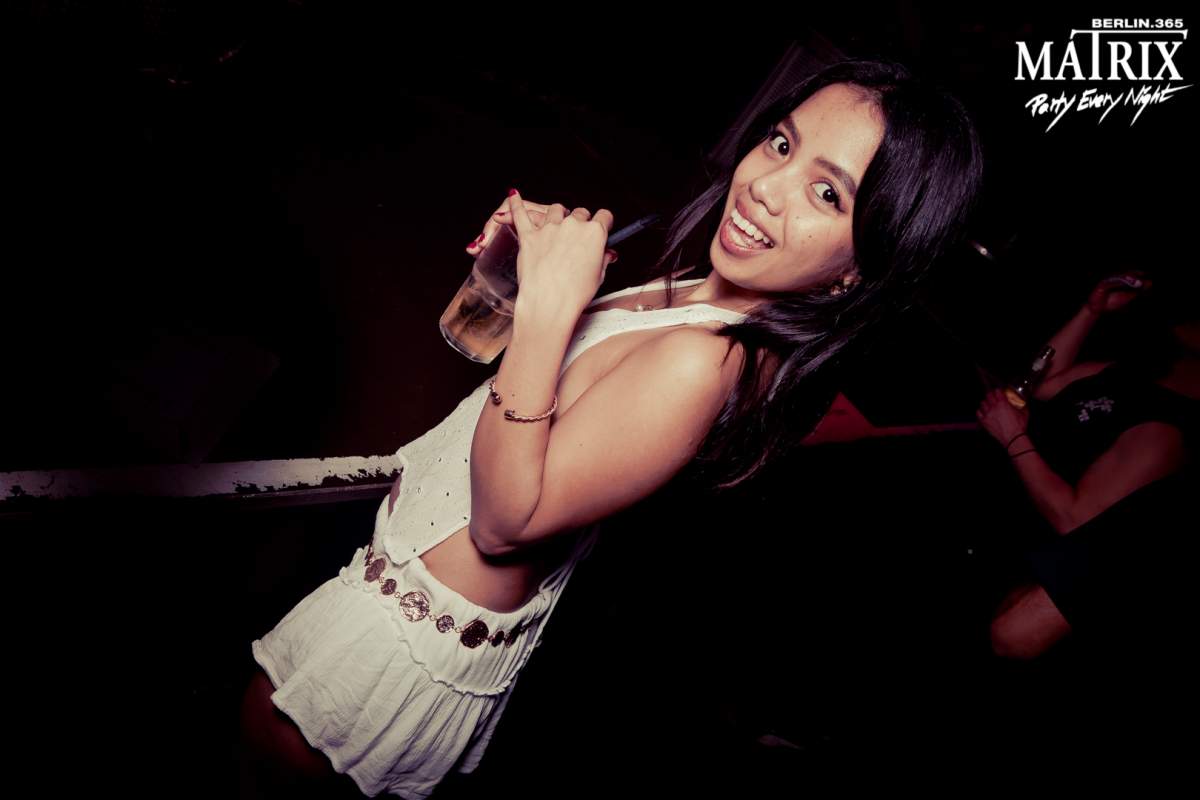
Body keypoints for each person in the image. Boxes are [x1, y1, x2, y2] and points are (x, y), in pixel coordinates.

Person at [240, 58, 984, 799]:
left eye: (826, 193)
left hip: (400, 641)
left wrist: (550, 308)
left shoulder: (705, 360)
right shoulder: (708, 292)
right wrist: (528, 276)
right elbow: (562, 402)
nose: (766, 186)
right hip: (400, 585)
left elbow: (504, 523)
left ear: (860, 268)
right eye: (781, 144)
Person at [977, 273, 1198, 660]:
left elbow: (1073, 517)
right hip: (987, 491)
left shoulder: (1170, 431)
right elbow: (1040, 383)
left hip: (1011, 548)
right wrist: (1090, 312)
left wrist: (1013, 438)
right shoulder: (1139, 371)